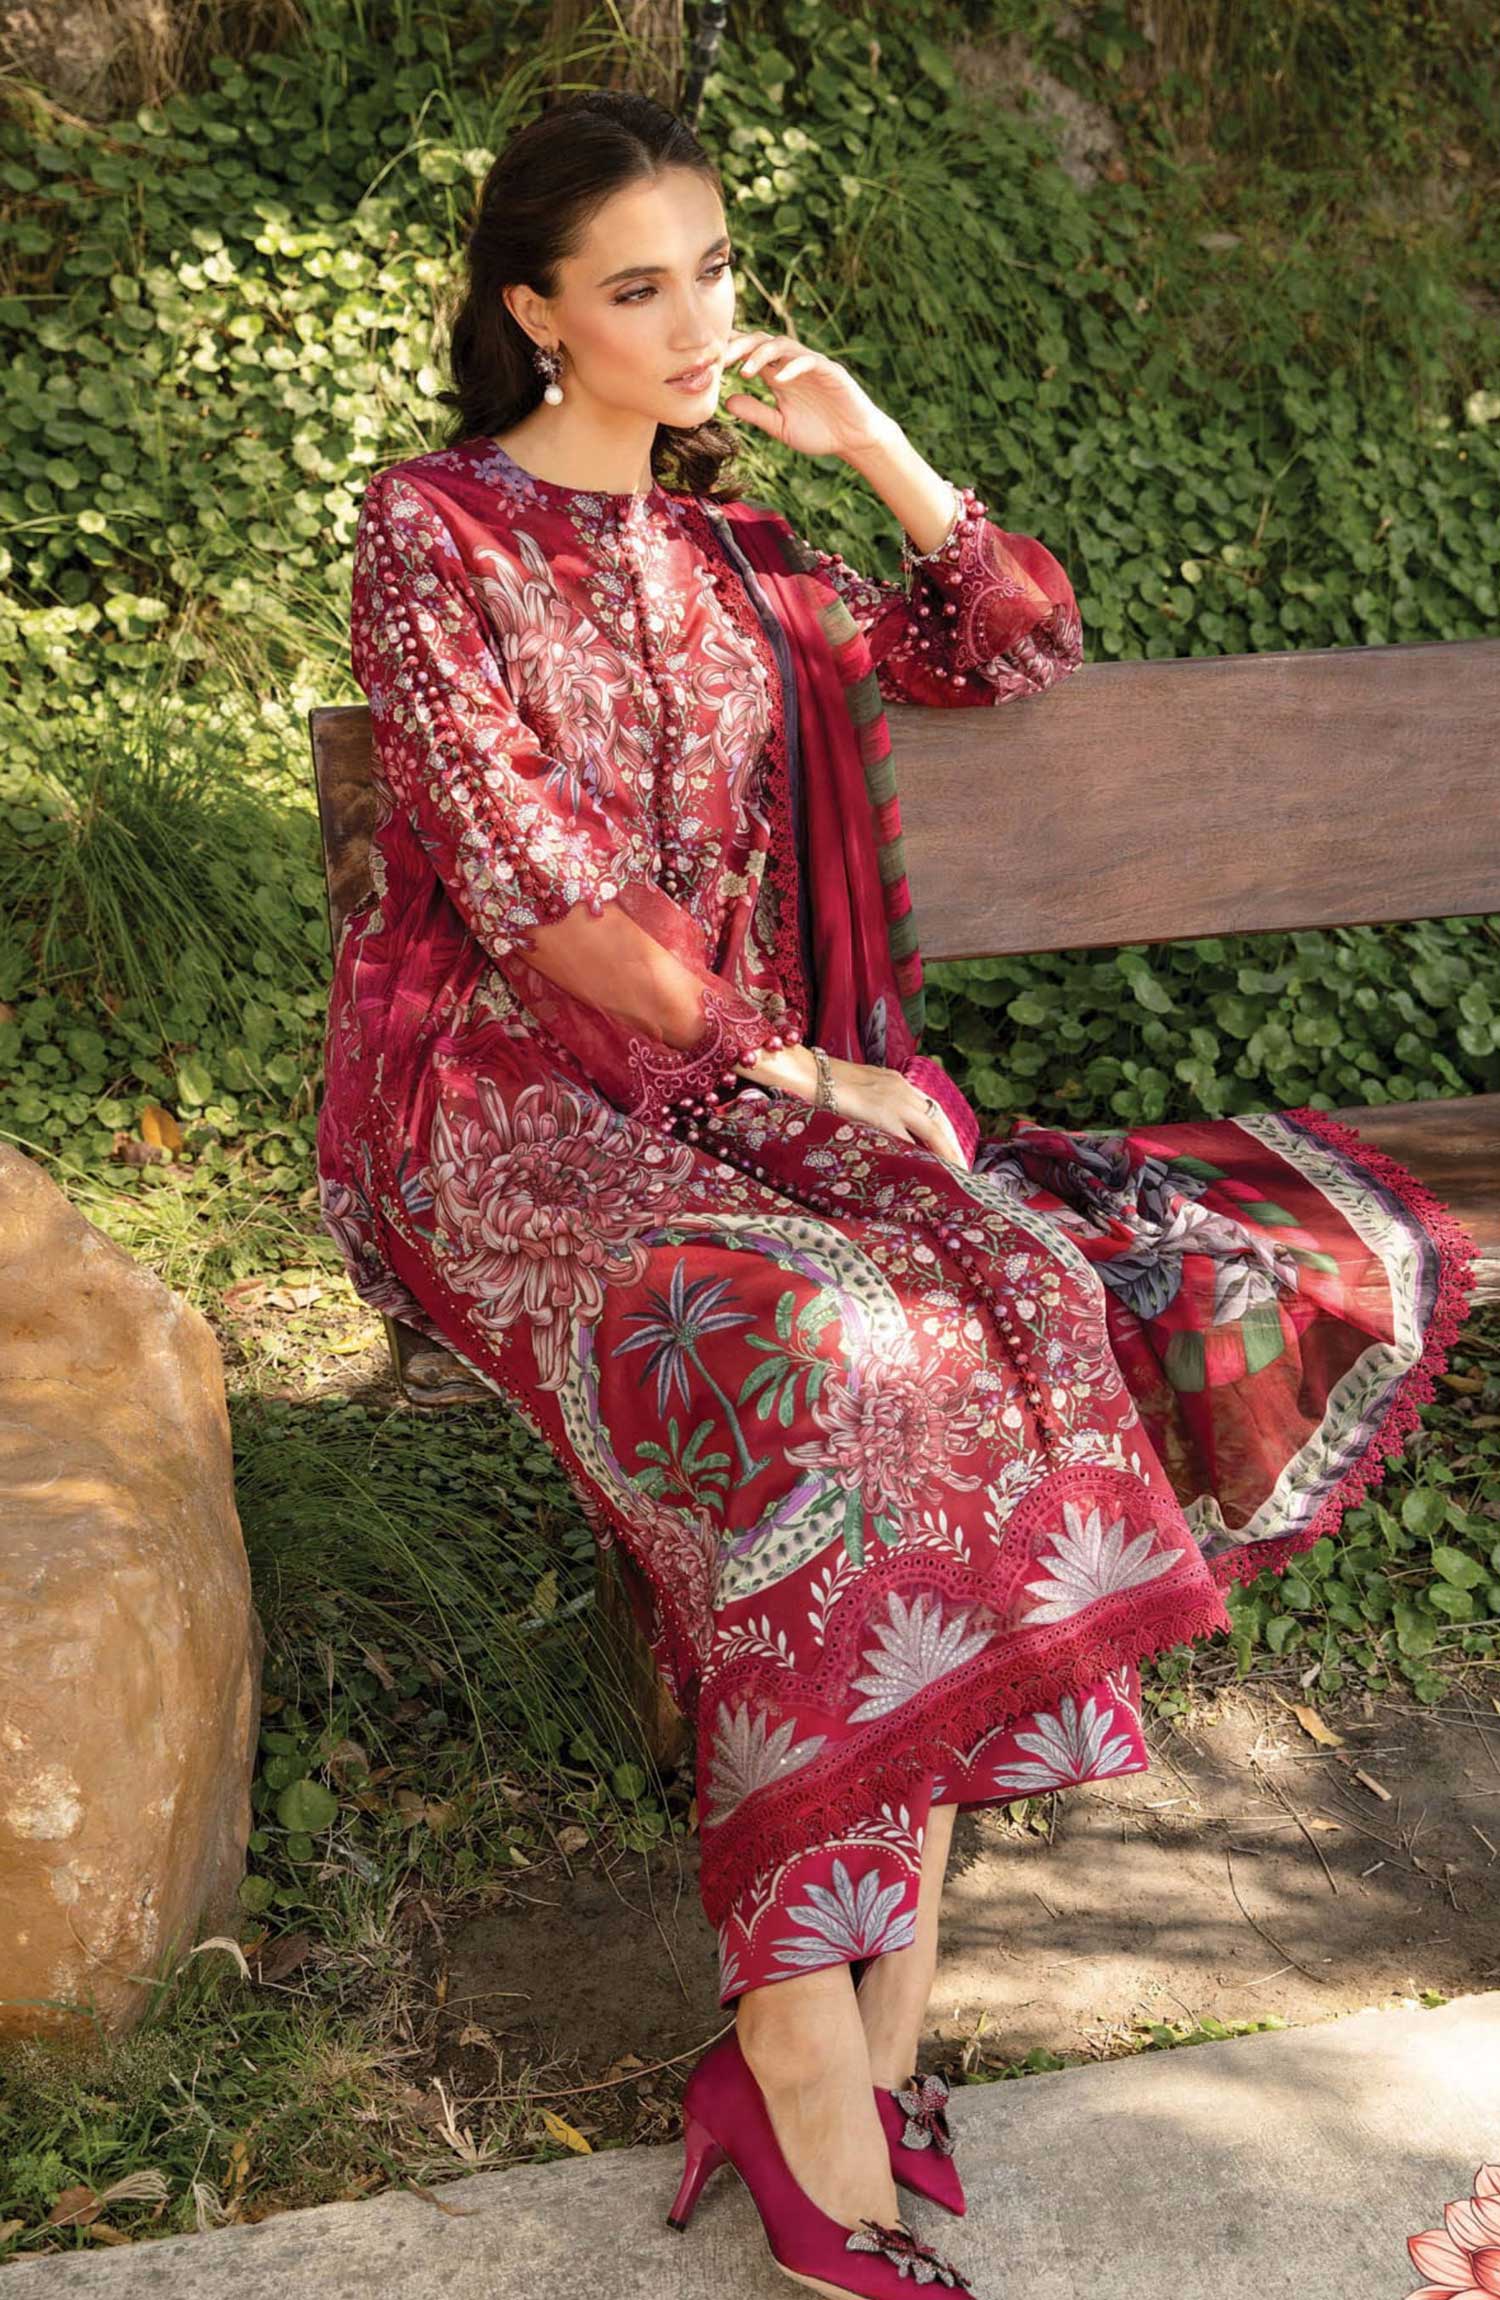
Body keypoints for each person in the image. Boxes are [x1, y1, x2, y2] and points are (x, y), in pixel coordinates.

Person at [315, 88, 1479, 2297]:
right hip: (517, 1113)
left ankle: (874, 2028)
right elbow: (536, 888)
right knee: (819, 1359)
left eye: (712, 272)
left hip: (745, 1104)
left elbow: (1008, 638)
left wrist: (869, 446)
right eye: (636, 287)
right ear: (533, 312)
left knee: (995, 1312)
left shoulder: (746, 550)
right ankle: (796, 2040)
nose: (693, 323)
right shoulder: (432, 531)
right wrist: (815, 1068)